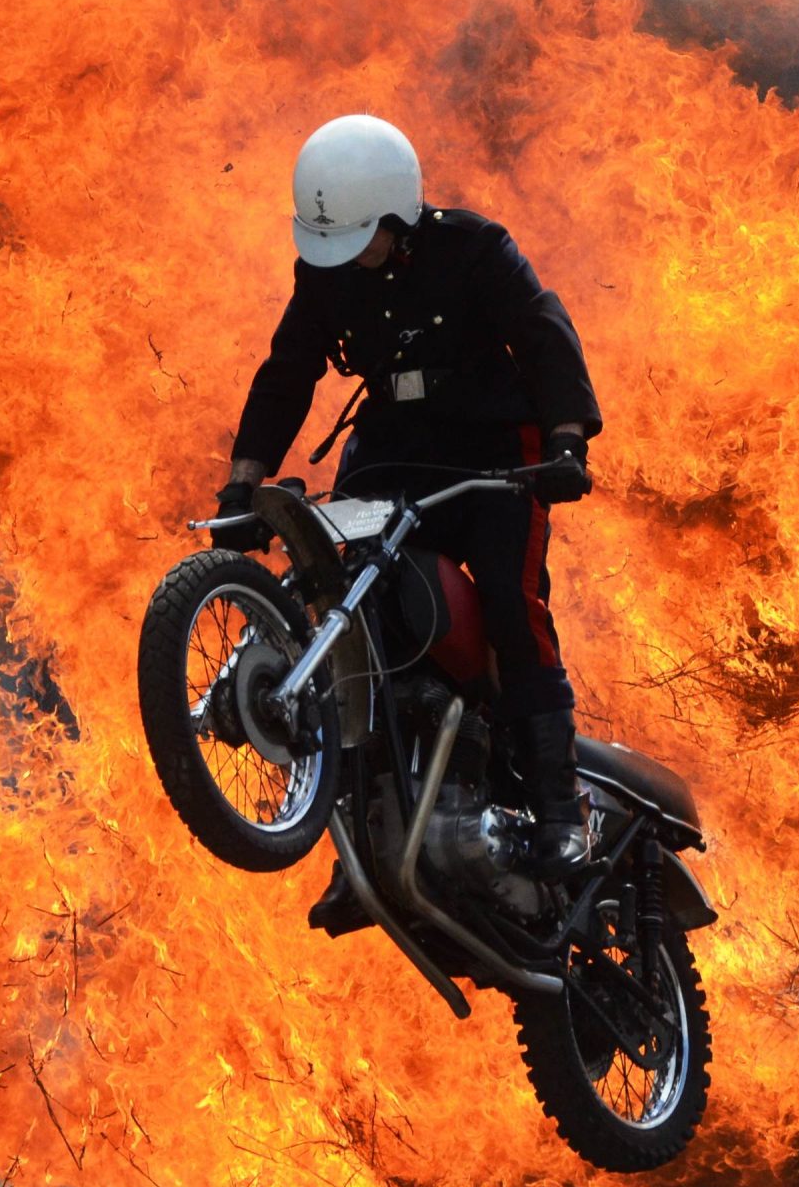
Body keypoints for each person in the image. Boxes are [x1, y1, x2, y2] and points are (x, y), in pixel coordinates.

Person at [214, 114, 602, 890]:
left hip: (497, 452)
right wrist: (243, 476)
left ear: (398, 213)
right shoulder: (326, 274)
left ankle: (563, 813)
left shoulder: (476, 249)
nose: (346, 260)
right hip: (396, 446)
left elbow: (542, 331)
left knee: (507, 596)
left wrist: (567, 442)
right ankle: (362, 819)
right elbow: (288, 371)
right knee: (344, 594)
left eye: (359, 240)